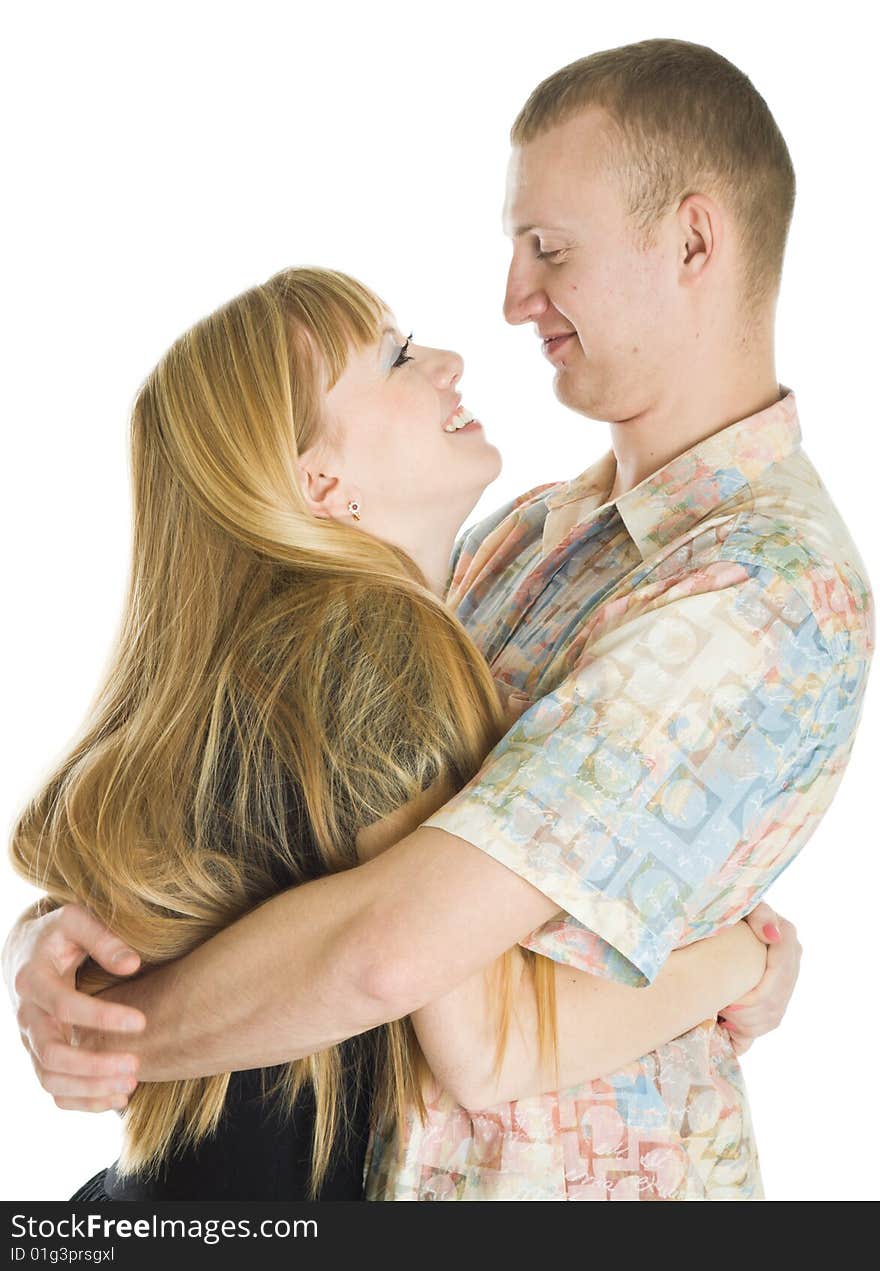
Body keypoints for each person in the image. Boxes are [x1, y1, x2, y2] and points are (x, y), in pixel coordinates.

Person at [8, 36, 871, 1200]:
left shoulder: (760, 583)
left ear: (694, 242)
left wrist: (124, 1024)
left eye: (549, 249)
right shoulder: (525, 536)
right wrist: (80, 938)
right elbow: (329, 839)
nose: (511, 300)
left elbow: (398, 953)